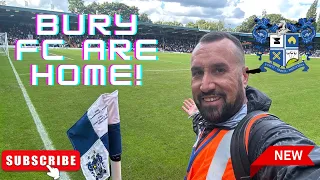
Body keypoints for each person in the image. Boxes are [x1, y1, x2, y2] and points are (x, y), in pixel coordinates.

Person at [182, 31, 320, 180]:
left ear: (244, 77)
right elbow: (208, 128)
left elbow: (303, 160)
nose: (205, 86)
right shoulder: (208, 122)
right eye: (197, 72)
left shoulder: (260, 136)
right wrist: (197, 116)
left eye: (219, 70)